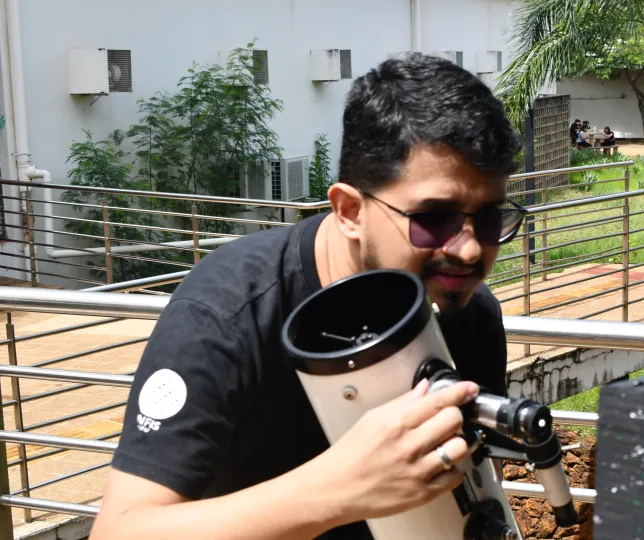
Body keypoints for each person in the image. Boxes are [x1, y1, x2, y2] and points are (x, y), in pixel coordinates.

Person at [90, 54, 524, 540]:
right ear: (349, 211)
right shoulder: (229, 313)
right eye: (433, 219)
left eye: (488, 218)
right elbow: (119, 531)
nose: (467, 249)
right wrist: (342, 490)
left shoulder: (468, 314)